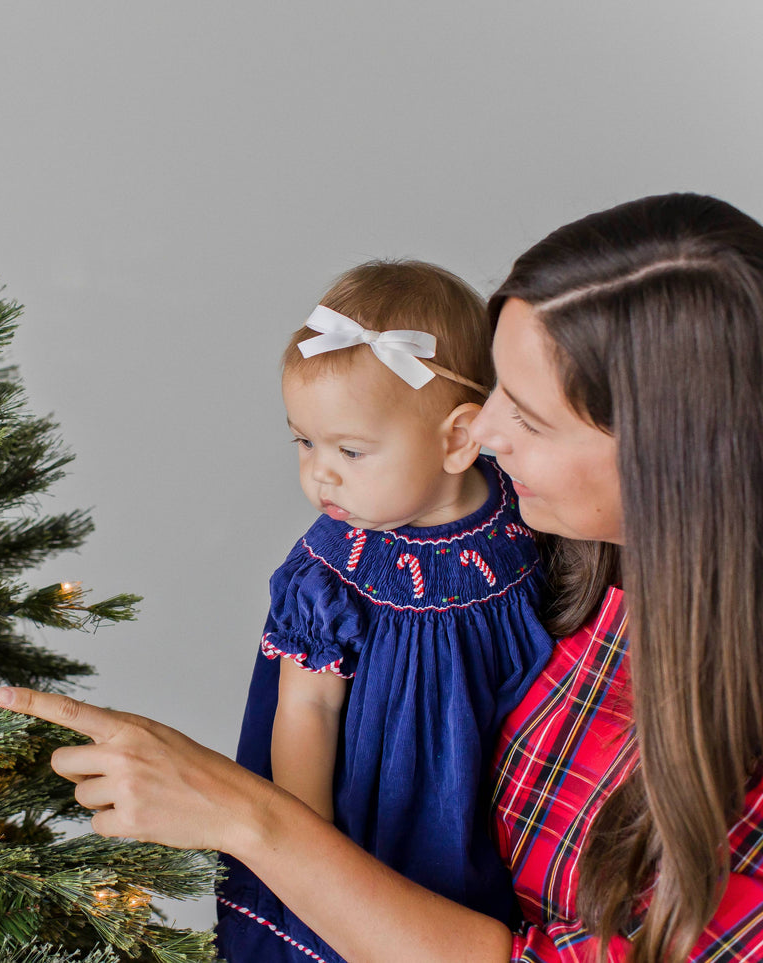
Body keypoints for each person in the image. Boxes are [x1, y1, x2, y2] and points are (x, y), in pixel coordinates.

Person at [0, 193, 763, 962]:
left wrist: (247, 819)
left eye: (529, 415)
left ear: (674, 455)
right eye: (496, 389)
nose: (484, 433)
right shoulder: (568, 556)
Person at [219, 261, 555, 962]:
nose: (320, 473)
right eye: (304, 443)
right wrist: (307, 858)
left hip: (507, 797)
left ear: (459, 439)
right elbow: (306, 710)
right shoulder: (333, 568)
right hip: (380, 815)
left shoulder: (525, 515)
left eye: (350, 449)